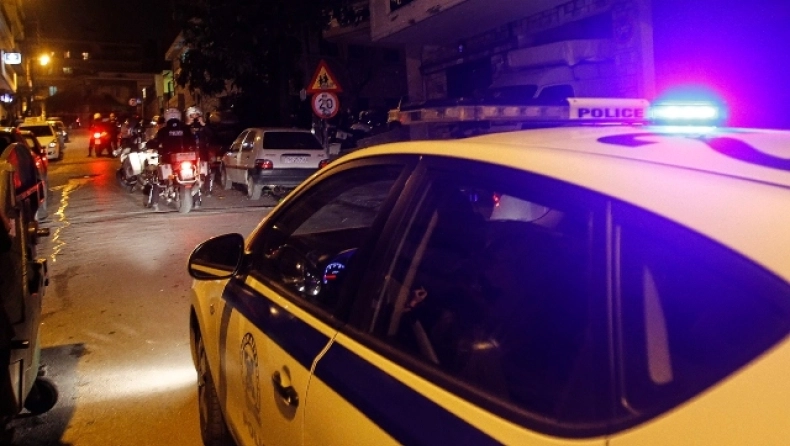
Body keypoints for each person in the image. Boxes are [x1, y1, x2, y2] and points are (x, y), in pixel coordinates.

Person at [146, 108, 194, 211]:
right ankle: (197, 200)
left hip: (168, 158)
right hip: (185, 158)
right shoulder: (186, 129)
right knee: (193, 177)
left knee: (157, 179)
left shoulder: (163, 130)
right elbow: (193, 141)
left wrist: (149, 145)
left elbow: (155, 142)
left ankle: (154, 202)